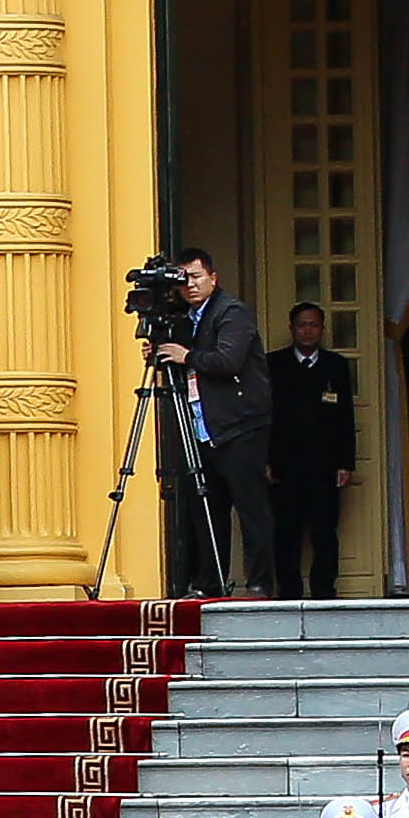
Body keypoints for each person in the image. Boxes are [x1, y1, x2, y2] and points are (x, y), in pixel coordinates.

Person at [153, 251, 271, 599]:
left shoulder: (231, 312)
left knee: (250, 508)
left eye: (196, 277)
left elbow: (228, 359)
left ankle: (260, 583)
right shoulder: (188, 318)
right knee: (206, 507)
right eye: (183, 279)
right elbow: (189, 364)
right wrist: (163, 354)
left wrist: (185, 355)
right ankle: (208, 583)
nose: (189, 285)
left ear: (213, 277)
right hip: (204, 426)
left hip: (240, 425)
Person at [274, 300, 355, 599]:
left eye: (313, 325)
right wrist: (266, 461)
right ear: (292, 329)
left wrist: (346, 462)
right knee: (286, 530)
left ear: (322, 329)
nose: (307, 331)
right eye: (301, 325)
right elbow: (265, 416)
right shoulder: (275, 364)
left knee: (324, 531)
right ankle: (288, 590)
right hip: (285, 465)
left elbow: (346, 415)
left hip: (325, 464)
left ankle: (324, 589)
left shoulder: (336, 365)